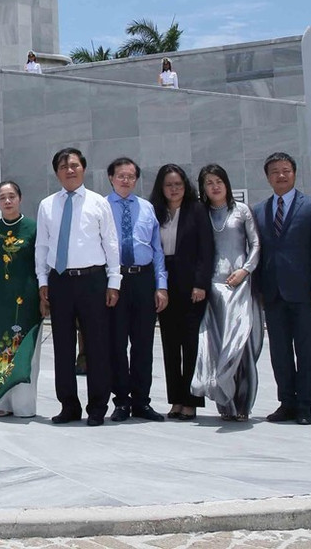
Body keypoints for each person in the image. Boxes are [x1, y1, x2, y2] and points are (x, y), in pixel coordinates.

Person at [35, 149, 121, 426]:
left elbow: (110, 243)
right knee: (62, 346)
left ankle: (97, 407)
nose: (69, 170)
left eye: (74, 165)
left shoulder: (98, 203)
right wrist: (43, 282)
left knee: (96, 345)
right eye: (63, 166)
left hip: (93, 280)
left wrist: (114, 281)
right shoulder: (47, 205)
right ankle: (68, 405)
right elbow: (42, 247)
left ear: (83, 168)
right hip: (59, 280)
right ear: (56, 172)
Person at [252, 151, 311, 425]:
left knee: (307, 350)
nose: (281, 175)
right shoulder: (259, 211)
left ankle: (304, 405)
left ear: (294, 173)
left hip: (306, 294)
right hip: (273, 294)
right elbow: (258, 253)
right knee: (280, 352)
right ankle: (286, 402)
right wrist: (259, 291)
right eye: (275, 171)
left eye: (286, 170)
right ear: (267, 177)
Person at [191, 163, 263, 420]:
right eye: (209, 183)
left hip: (241, 284)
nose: (215, 186)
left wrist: (245, 270)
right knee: (218, 346)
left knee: (241, 346)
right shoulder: (202, 214)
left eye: (218, 180)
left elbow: (255, 244)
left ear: (226, 183)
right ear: (203, 188)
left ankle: (244, 404)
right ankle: (226, 406)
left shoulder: (241, 210)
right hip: (215, 287)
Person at [105, 157, 168, 422]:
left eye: (131, 176)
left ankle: (142, 401)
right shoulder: (102, 207)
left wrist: (161, 285)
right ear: (111, 178)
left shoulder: (146, 208)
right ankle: (121, 402)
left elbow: (157, 250)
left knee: (143, 344)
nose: (126, 180)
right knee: (116, 345)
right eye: (121, 175)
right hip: (116, 280)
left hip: (143, 280)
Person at [149, 164, 212, 420]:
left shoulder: (196, 210)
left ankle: (191, 400)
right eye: (168, 185)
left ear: (185, 186)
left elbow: (206, 250)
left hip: (191, 284)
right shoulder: (156, 211)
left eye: (178, 184)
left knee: (191, 343)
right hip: (165, 281)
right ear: (161, 188)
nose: (174, 189)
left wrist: (201, 284)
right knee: (170, 344)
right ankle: (175, 400)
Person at [0, 181, 42, 418]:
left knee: (24, 351)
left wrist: (43, 294)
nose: (7, 201)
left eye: (11, 196)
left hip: (27, 299)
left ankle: (24, 405)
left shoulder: (33, 228)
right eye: (2, 197)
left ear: (20, 198)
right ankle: (1, 403)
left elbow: (40, 264)